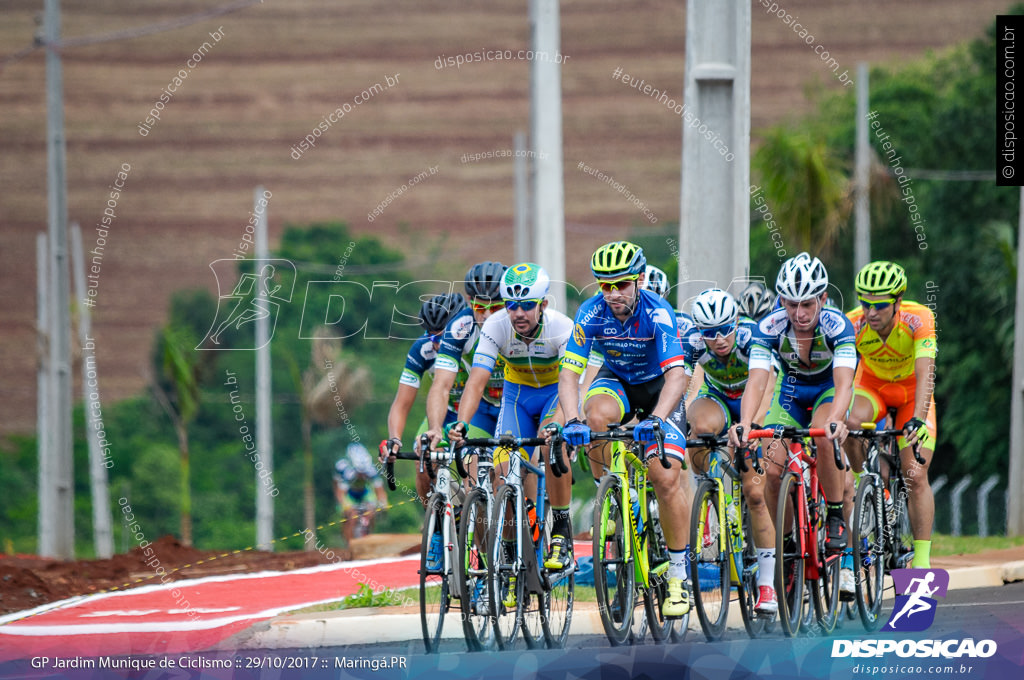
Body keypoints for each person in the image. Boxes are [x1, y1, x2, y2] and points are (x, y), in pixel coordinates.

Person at [557, 241, 693, 618]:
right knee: (594, 415)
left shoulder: (658, 312)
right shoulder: (591, 313)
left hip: (659, 391)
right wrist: (571, 420)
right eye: (605, 285)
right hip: (616, 381)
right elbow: (569, 373)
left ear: (638, 280)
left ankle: (679, 578)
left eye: (621, 284)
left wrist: (657, 420)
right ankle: (615, 493)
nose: (613, 293)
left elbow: (677, 376)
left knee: (665, 479)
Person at [729, 252, 856, 615]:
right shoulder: (768, 327)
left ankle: (833, 514)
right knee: (770, 468)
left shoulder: (837, 326)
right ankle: (786, 546)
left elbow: (845, 383)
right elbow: (757, 380)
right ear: (780, 301)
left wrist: (836, 418)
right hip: (790, 393)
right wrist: (747, 423)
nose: (799, 313)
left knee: (823, 435)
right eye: (791, 304)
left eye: (807, 304)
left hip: (827, 391)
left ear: (823, 300)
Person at [441, 264, 573, 604]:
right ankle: (514, 558)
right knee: (502, 472)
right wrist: (462, 423)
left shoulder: (561, 328)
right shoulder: (498, 326)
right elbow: (477, 378)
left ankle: (560, 526)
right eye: (511, 305)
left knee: (549, 447)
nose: (517, 313)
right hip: (517, 397)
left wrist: (558, 423)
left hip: (555, 394)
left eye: (526, 305)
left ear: (542, 304)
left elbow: (572, 383)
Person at [844, 260, 937, 569]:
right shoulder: (852, 323)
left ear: (897, 301)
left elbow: (926, 375)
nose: (871, 312)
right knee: (851, 421)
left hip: (912, 393)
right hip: (874, 387)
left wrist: (919, 418)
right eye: (865, 303)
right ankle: (865, 484)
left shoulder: (919, 319)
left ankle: (921, 563)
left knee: (915, 474)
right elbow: (841, 377)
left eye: (880, 305)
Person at [378, 291, 470, 509]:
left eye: (442, 336)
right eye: (431, 336)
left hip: (479, 413)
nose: (437, 344)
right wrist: (395, 439)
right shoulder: (423, 350)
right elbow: (401, 404)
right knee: (424, 455)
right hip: (446, 412)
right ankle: (436, 522)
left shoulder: (474, 343)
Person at [334, 442, 388, 544]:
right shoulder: (346, 471)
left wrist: (383, 504)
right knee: (352, 515)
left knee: (370, 512)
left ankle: (369, 538)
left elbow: (380, 491)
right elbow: (340, 494)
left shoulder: (371, 470)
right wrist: (347, 507)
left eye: (364, 472)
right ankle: (350, 545)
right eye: (359, 472)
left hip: (365, 492)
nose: (362, 474)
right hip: (348, 494)